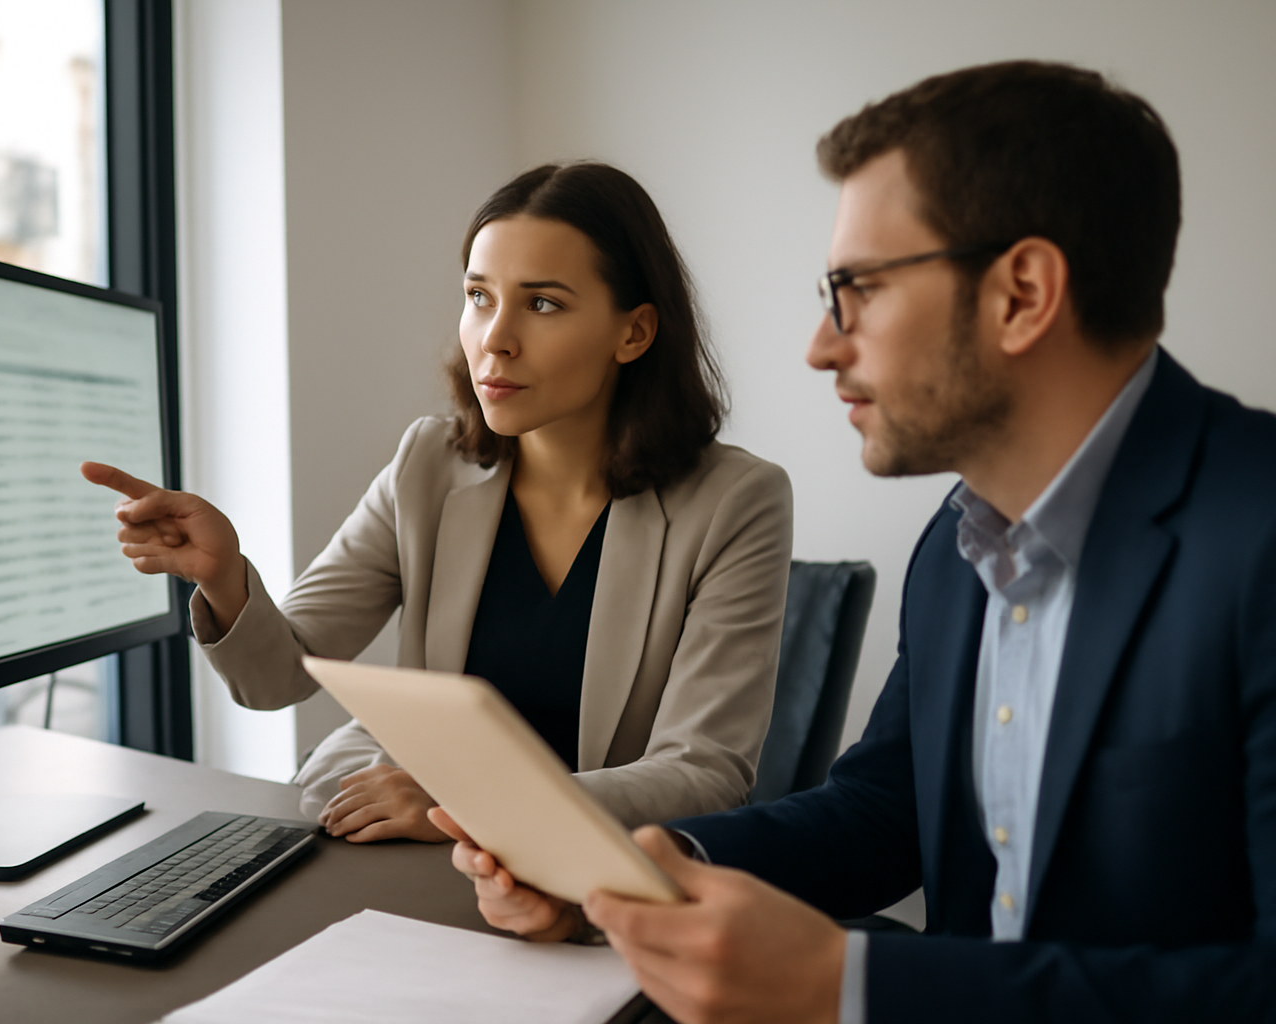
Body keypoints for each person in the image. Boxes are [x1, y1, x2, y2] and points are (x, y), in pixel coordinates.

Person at [439, 61, 1276, 1021]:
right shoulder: (960, 546)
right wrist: (627, 878)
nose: (822, 345)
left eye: (859, 289)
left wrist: (853, 984)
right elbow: (884, 815)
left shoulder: (1256, 539)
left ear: (1022, 294)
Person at [85, 162, 793, 842]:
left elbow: (705, 776)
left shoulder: (736, 501)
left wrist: (471, 805)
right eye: (479, 297)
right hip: (431, 859)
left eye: (542, 304)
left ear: (633, 332)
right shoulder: (427, 464)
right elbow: (277, 677)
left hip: (599, 877)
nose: (496, 340)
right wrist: (224, 577)